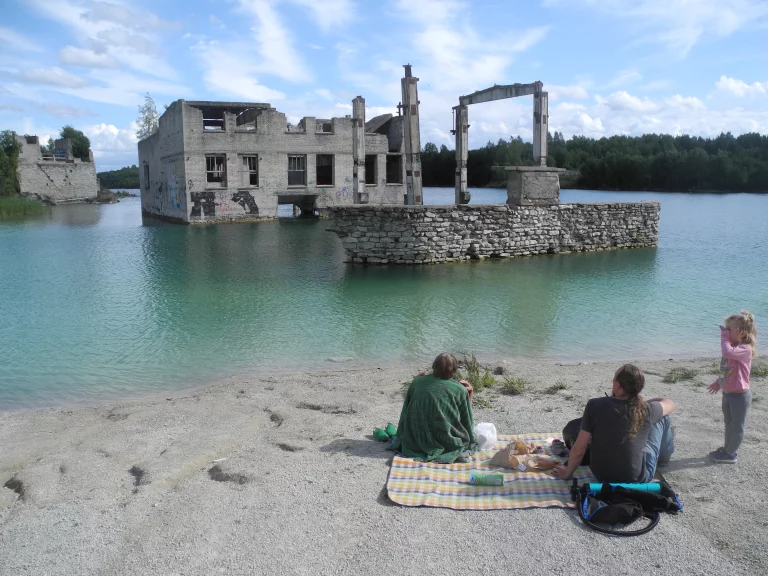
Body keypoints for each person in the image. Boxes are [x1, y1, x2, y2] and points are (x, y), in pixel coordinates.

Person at [552, 364, 675, 483]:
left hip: (602, 476)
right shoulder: (646, 409)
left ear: (617, 385)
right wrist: (648, 403)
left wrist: (567, 474)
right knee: (662, 418)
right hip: (636, 479)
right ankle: (664, 458)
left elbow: (579, 450)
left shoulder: (594, 405)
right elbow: (670, 403)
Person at [389, 353, 478, 463]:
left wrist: (416, 381)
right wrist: (470, 392)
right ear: (454, 371)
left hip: (416, 438)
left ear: (433, 367)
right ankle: (453, 453)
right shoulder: (460, 390)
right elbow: (466, 417)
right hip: (446, 439)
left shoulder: (417, 383)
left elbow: (407, 408)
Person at [707, 311, 758, 464]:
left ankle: (731, 454)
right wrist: (719, 382)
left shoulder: (745, 349)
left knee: (737, 427)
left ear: (741, 332)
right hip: (728, 393)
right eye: (726, 330)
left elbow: (726, 351)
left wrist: (723, 337)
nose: (726, 332)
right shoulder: (734, 348)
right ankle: (727, 448)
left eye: (729, 330)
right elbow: (727, 370)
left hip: (740, 396)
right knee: (728, 424)